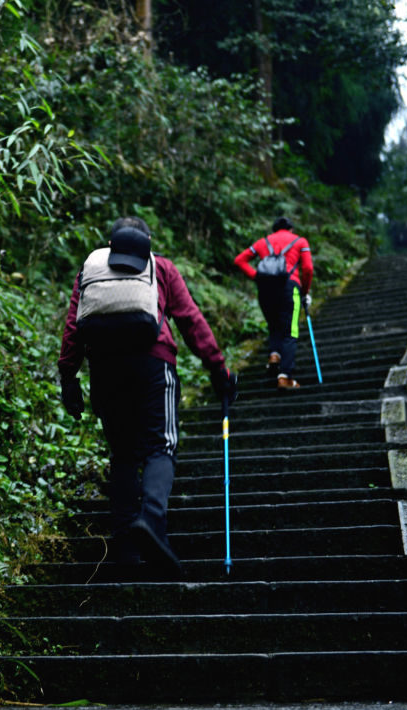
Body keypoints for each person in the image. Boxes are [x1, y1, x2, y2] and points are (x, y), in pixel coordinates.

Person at [58, 216, 236, 576]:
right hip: (154, 367)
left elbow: (74, 327)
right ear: (148, 241)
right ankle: (151, 520)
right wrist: (218, 370)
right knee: (160, 446)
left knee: (123, 455)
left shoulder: (90, 272)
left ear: (111, 244)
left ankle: (124, 548)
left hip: (105, 371)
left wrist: (68, 377)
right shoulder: (161, 268)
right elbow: (190, 320)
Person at [234, 216, 313, 389]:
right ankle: (285, 377)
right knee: (290, 331)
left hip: (265, 290)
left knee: (274, 325)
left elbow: (239, 260)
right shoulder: (300, 241)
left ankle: (274, 355)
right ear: (290, 229)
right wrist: (304, 291)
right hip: (289, 288)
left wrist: (256, 277)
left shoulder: (263, 242)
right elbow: (307, 268)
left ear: (274, 230)